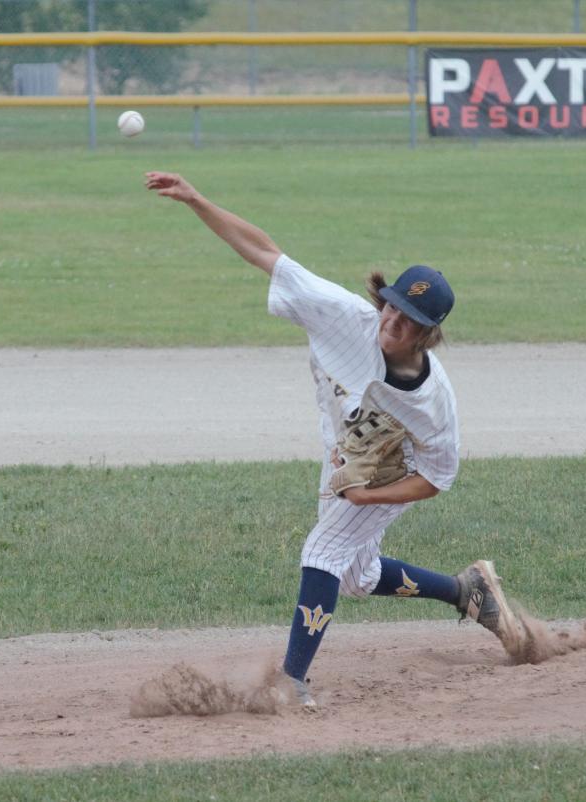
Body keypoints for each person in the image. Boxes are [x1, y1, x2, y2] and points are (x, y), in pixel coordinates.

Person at [144, 171, 523, 707]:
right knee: (356, 576)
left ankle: (292, 683)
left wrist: (369, 496)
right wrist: (196, 200)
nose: (394, 320)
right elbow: (265, 253)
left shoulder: (434, 404)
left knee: (323, 551)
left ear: (428, 332)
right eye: (392, 305)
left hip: (393, 468)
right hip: (345, 453)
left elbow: (436, 478)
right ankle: (467, 591)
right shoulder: (345, 317)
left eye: (410, 318)